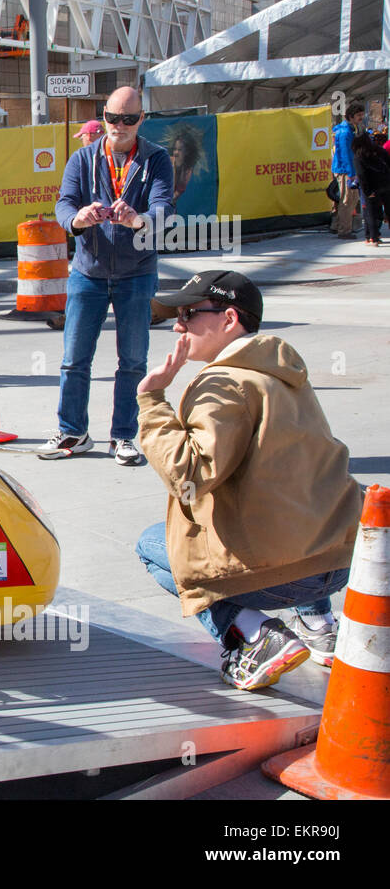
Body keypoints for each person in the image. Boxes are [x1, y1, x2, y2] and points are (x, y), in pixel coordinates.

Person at [134, 271, 361, 690]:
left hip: (278, 578)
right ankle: (319, 624)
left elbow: (188, 474)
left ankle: (254, 634)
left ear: (229, 318)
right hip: (336, 563)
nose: (178, 325)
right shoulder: (285, 373)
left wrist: (152, 401)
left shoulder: (222, 383)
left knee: (152, 544)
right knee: (291, 501)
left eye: (188, 313)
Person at [38, 86, 174, 466]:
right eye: (113, 118)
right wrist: (77, 220)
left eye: (129, 119)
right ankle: (72, 431)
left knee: (132, 360)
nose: (119, 126)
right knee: (74, 358)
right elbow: (64, 203)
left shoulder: (156, 159)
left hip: (136, 273)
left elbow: (164, 207)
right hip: (88, 271)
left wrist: (139, 220)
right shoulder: (82, 159)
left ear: (140, 120)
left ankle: (124, 436)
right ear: (106, 116)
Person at [351, 132, 390, 245]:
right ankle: (373, 236)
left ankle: (373, 237)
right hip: (386, 184)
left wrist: (367, 191)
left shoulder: (359, 156)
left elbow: (362, 175)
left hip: (372, 187)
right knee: (388, 209)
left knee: (370, 212)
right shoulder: (379, 150)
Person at [330, 102, 361, 240]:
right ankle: (344, 230)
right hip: (345, 170)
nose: (361, 117)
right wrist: (351, 174)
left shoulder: (350, 129)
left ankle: (337, 226)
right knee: (347, 200)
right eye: (359, 115)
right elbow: (345, 154)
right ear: (351, 116)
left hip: (347, 169)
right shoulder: (345, 132)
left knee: (349, 199)